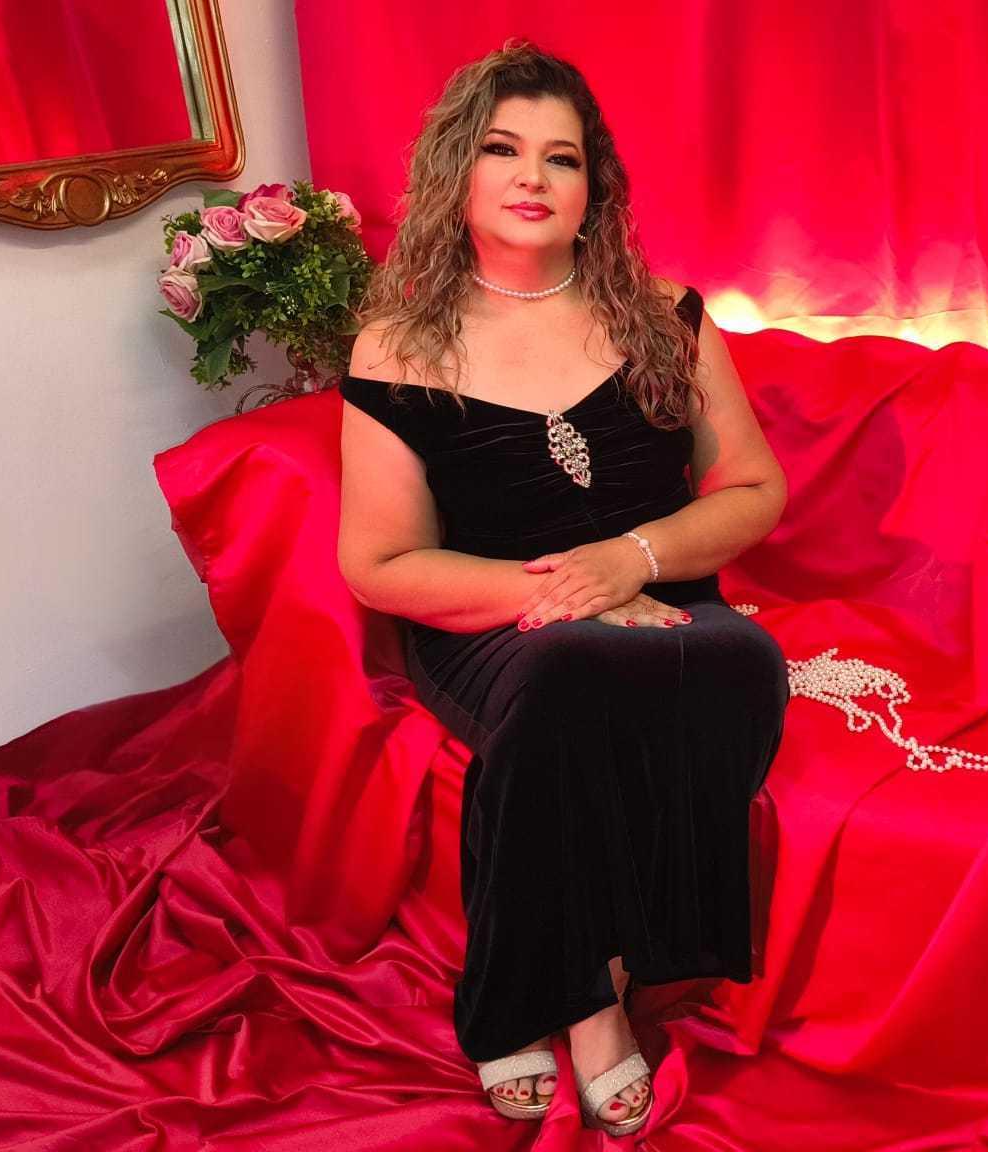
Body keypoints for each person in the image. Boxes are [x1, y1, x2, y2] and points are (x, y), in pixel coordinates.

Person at [336, 38, 789, 1137]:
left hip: (665, 599)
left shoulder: (666, 315)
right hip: (493, 621)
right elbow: (380, 564)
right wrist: (569, 595)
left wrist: (630, 561)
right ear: (459, 173)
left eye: (562, 156)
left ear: (596, 187)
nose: (533, 176)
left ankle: (563, 985)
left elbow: (755, 488)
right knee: (566, 676)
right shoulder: (399, 347)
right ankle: (586, 1005)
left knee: (743, 658)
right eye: (503, 149)